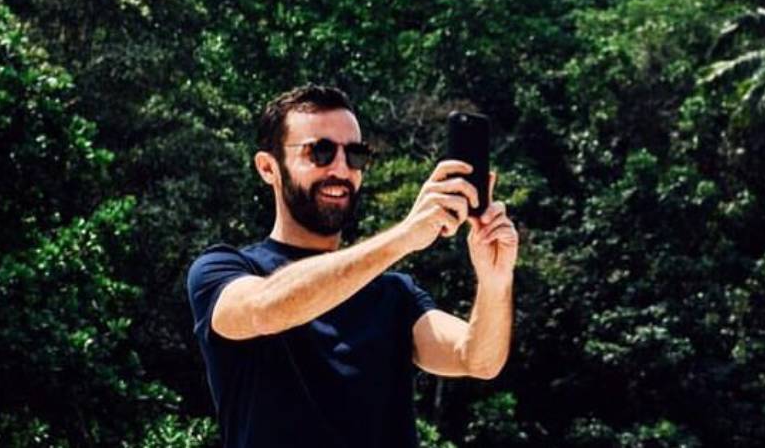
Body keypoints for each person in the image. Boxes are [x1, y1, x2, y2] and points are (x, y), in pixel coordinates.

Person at [186, 84, 518, 448]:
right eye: (321, 152)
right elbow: (265, 310)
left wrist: (494, 280)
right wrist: (405, 235)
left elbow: (477, 359)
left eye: (356, 154)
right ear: (268, 167)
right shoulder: (223, 269)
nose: (342, 169)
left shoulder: (394, 294)